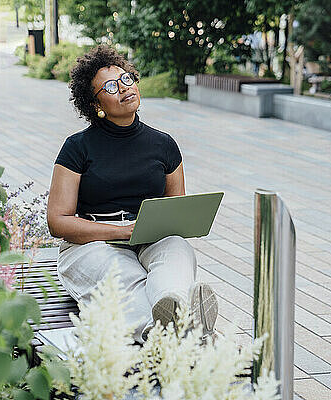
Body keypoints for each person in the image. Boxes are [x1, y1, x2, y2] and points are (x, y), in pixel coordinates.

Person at [46, 45, 218, 343]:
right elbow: (58, 221)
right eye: (111, 87)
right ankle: (173, 333)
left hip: (149, 235)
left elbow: (175, 210)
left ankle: (175, 309)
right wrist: (121, 232)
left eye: (126, 79)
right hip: (92, 242)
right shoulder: (77, 148)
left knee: (176, 250)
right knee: (124, 275)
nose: (124, 89)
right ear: (94, 103)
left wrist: (167, 226)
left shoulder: (164, 144)